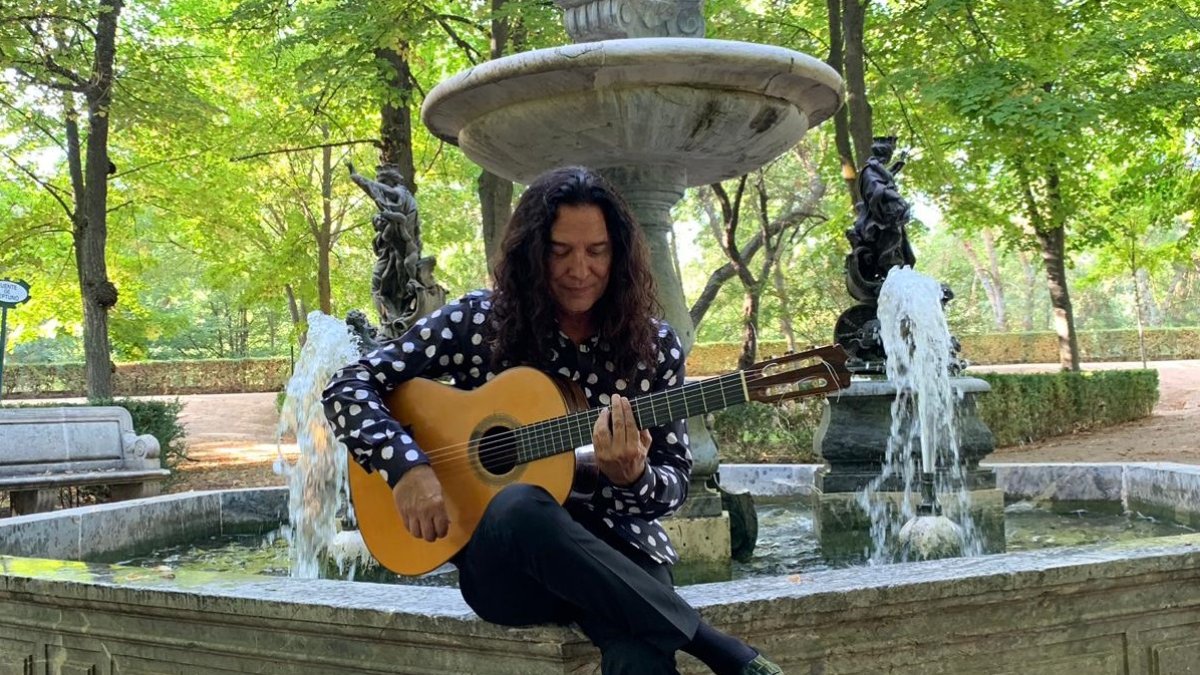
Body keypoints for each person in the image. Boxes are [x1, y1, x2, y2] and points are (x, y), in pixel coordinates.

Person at [322, 166, 783, 675]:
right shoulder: (479, 323)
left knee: (638, 654)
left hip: (620, 551)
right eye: (560, 251)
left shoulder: (653, 347)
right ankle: (717, 648)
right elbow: (349, 385)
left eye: (597, 251)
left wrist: (634, 476)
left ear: (620, 254)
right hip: (511, 567)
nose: (579, 269)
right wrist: (406, 468)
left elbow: (672, 483)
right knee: (519, 503)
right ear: (531, 253)